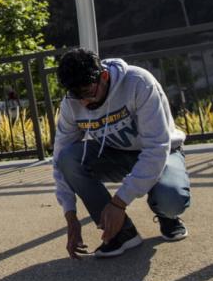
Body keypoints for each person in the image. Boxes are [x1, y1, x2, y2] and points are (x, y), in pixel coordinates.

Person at [52, 47, 190, 259]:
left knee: (171, 201)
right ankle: (123, 234)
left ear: (104, 76)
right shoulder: (72, 104)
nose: (84, 102)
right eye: (75, 95)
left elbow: (156, 148)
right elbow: (60, 159)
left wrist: (119, 203)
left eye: (88, 92)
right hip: (116, 155)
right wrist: (70, 216)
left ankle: (166, 216)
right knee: (68, 159)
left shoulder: (138, 82)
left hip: (162, 153)